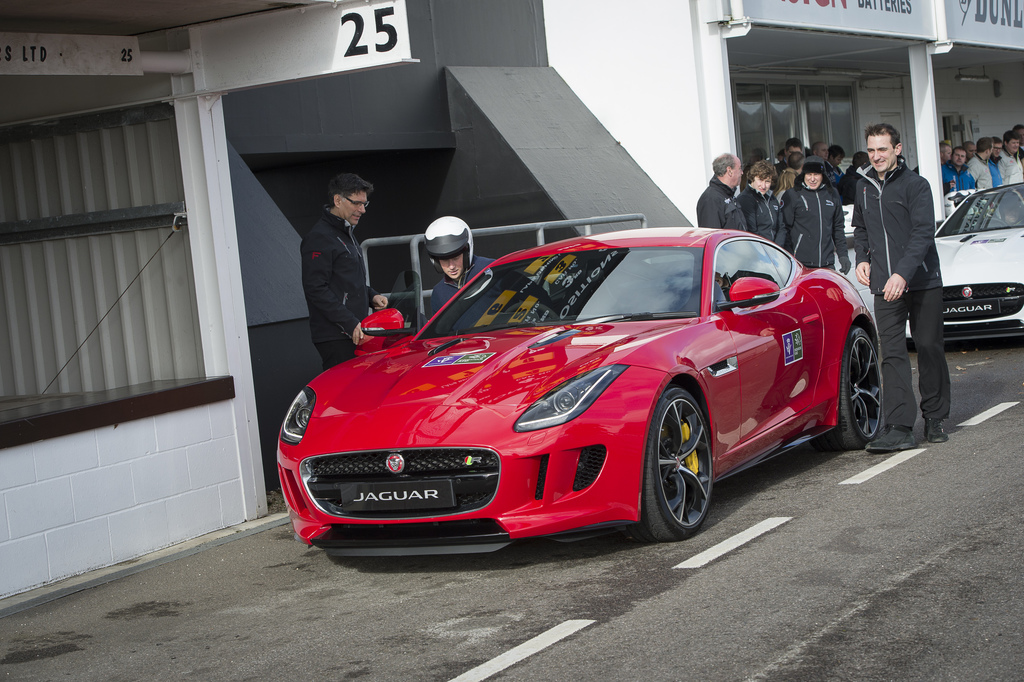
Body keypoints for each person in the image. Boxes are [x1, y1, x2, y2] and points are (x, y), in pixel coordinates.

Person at [852, 123, 951, 452]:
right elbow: (861, 228)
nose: (876, 156)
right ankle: (899, 426)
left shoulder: (916, 185)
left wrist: (902, 275)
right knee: (892, 355)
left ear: (897, 149)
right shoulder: (863, 185)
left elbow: (923, 234)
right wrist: (863, 259)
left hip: (921, 281)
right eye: (871, 150)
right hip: (883, 284)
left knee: (928, 347)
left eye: (882, 149)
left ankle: (935, 417)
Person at [300, 173, 388, 371]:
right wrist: (349, 323)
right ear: (337, 200)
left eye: (365, 204)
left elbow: (345, 281)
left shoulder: (345, 232)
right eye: (357, 203)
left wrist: (371, 295)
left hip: (351, 332)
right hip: (336, 336)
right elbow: (315, 288)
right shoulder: (319, 237)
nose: (362, 210)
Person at [778, 155, 850, 274]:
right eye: (809, 174)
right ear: (803, 175)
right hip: (801, 264)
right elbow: (784, 229)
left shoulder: (832, 194)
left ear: (823, 175)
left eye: (816, 174)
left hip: (827, 263)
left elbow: (838, 228)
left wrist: (843, 256)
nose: (812, 179)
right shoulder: (793, 194)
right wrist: (790, 258)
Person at [425, 216, 495, 313]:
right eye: (445, 260)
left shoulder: (492, 269)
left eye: (455, 258)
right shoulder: (439, 292)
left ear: (466, 253)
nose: (451, 266)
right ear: (436, 261)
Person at [734, 160, 782, 242]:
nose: (763, 186)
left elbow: (781, 227)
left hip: (775, 249)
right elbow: (751, 231)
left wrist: (778, 247)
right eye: (760, 180)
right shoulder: (745, 199)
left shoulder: (772, 198)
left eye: (767, 181)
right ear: (752, 178)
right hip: (758, 249)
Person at [696, 153, 745, 230]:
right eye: (739, 168)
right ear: (729, 171)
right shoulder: (711, 199)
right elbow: (712, 235)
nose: (742, 172)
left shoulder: (728, 195)